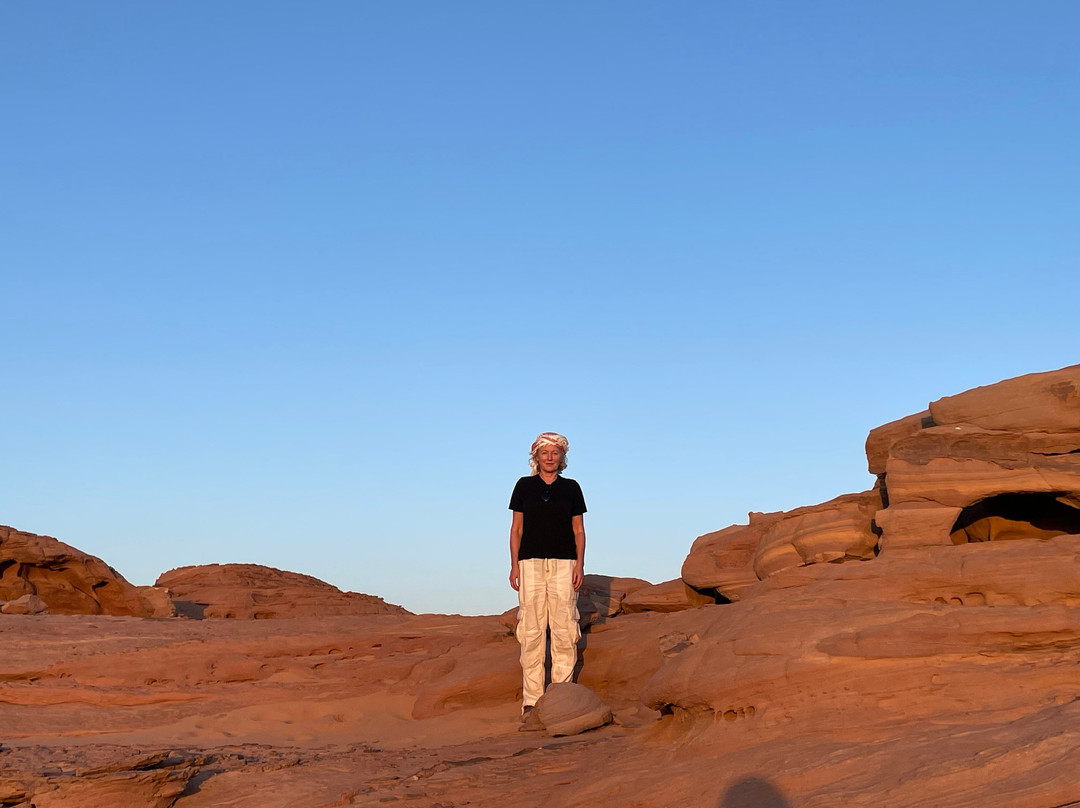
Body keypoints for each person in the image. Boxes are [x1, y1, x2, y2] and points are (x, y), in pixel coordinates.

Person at [508, 431, 586, 720]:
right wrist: (514, 565)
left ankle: (561, 696)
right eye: (545, 453)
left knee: (565, 627)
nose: (550, 457)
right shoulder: (524, 486)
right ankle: (532, 701)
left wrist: (579, 565)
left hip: (565, 563)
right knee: (531, 629)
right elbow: (516, 529)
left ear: (562, 457)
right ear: (536, 457)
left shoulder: (572, 488)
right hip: (530, 563)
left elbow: (579, 530)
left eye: (555, 453)